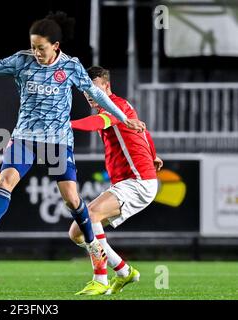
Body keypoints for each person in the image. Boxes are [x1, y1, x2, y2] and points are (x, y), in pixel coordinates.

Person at [0, 13, 146, 267]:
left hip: (58, 141)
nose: (36, 52)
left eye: (41, 48)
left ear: (55, 46)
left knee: (72, 200)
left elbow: (96, 93)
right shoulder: (22, 61)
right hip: (25, 137)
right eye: (33, 47)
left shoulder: (70, 67)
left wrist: (123, 117)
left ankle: (94, 247)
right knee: (6, 180)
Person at [69, 66, 163, 295]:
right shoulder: (122, 105)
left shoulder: (114, 107)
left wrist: (65, 124)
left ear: (106, 86)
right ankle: (123, 271)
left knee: (90, 216)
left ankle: (100, 279)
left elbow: (97, 123)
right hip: (130, 181)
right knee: (77, 231)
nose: (89, 94)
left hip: (138, 182)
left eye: (93, 88)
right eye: (84, 90)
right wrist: (153, 154)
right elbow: (143, 129)